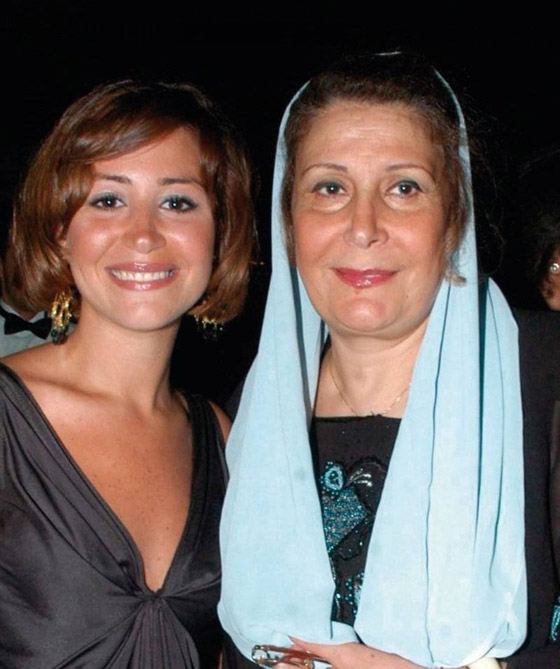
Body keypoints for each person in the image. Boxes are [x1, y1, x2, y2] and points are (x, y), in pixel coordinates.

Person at [219, 53, 560, 668]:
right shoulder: (255, 409)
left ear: (454, 216)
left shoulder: (544, 373)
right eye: (330, 188)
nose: (363, 226)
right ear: (288, 221)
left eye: (404, 188)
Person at [0, 80, 254, 668]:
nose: (143, 234)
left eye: (178, 202)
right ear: (59, 229)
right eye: (108, 200)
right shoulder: (9, 417)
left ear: (220, 234)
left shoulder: (219, 436)